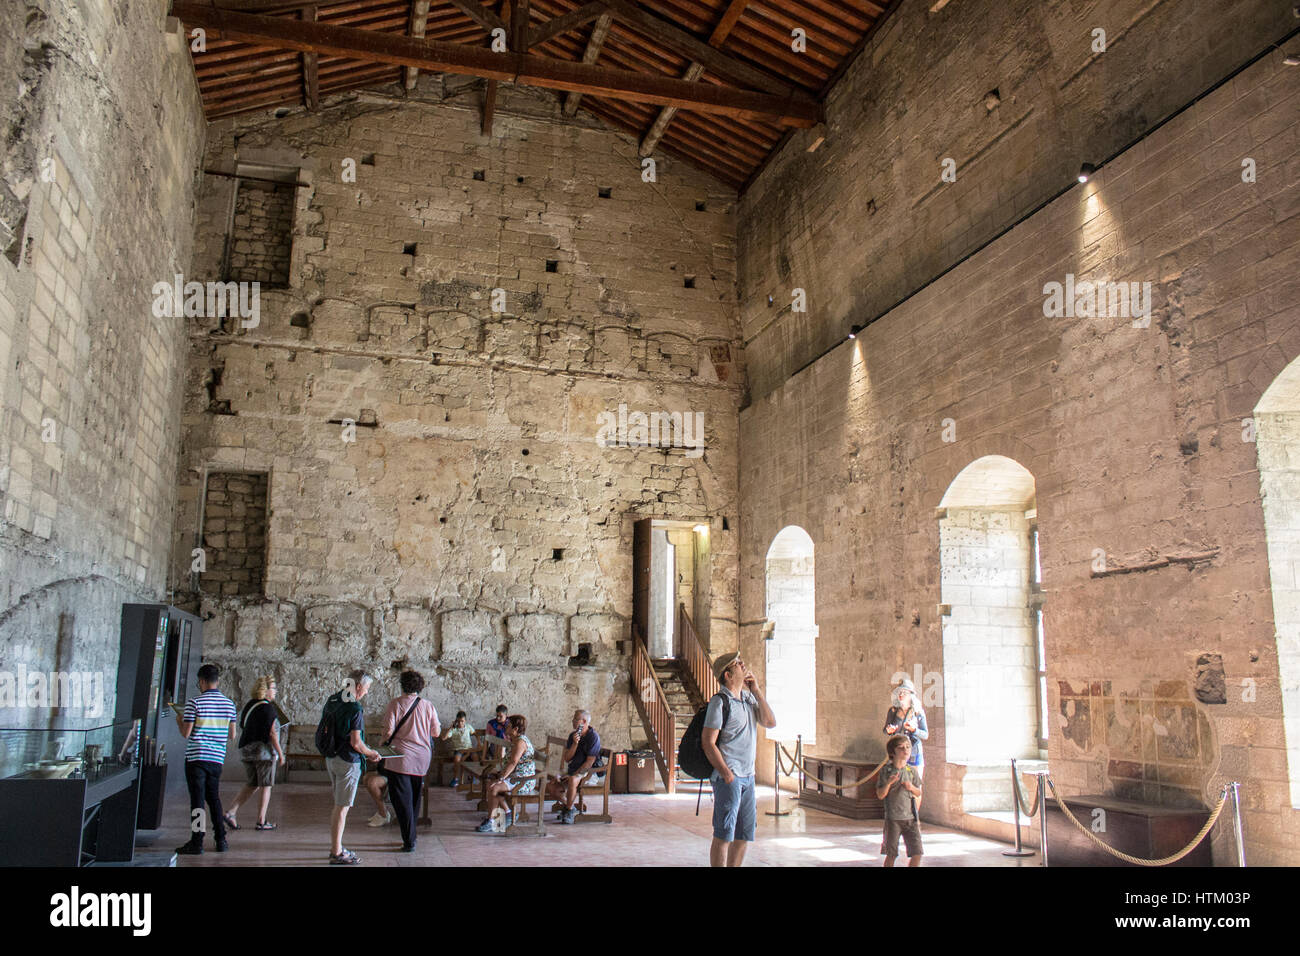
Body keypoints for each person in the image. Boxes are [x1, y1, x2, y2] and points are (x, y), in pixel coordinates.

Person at [701, 652, 776, 867]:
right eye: (737, 663)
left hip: (748, 777)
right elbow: (708, 741)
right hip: (730, 777)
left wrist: (757, 691)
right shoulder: (720, 702)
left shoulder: (748, 699)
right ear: (728, 675)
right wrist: (726, 773)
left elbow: (770, 722)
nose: (743, 665)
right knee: (724, 834)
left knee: (744, 834)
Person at [321, 670, 385, 865]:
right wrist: (371, 753)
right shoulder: (355, 708)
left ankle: (337, 847)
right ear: (358, 687)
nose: (366, 693)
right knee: (342, 807)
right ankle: (336, 852)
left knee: (339, 805)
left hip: (331, 758)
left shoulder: (333, 699)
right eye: (366, 689)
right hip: (348, 761)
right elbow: (356, 742)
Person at [173, 663, 238, 855]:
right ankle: (221, 839)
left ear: (201, 681)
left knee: (198, 801)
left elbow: (186, 733)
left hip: (196, 758)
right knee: (214, 799)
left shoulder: (195, 703)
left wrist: (179, 720)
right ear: (217, 681)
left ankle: (197, 841)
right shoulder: (229, 704)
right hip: (216, 759)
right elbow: (232, 735)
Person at [378, 670, 440, 852]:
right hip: (422, 758)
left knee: (400, 799)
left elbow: (388, 732)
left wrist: (382, 744)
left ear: (402, 685)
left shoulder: (395, 704)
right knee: (414, 797)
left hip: (400, 757)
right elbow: (435, 732)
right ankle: (411, 836)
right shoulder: (428, 705)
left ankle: (409, 840)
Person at [224, 675, 285, 831]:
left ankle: (231, 812)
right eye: (274, 688)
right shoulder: (269, 708)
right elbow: (272, 734)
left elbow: (243, 724)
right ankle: (261, 820)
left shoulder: (251, 704)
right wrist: (280, 753)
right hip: (262, 752)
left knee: (252, 783)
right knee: (266, 785)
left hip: (246, 750)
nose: (276, 691)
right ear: (266, 690)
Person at [475, 714, 535, 833]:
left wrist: (501, 778)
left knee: (494, 788)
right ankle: (508, 813)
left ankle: (491, 821)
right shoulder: (515, 740)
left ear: (515, 729)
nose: (505, 727)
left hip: (523, 781)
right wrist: (500, 775)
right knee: (490, 784)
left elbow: (513, 762)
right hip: (515, 777)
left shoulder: (520, 742)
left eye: (508, 726)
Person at [876, 735, 923, 867]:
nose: (905, 750)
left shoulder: (911, 771)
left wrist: (911, 787)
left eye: (907, 747)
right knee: (891, 854)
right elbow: (880, 794)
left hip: (910, 818)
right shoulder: (886, 771)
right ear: (893, 752)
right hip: (893, 819)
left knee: (917, 852)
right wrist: (889, 783)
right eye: (901, 747)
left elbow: (918, 792)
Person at [552, 709, 604, 824]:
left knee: (572, 779)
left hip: (589, 771)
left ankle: (569, 810)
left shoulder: (593, 737)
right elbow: (567, 758)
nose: (573, 721)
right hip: (574, 768)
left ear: (584, 721)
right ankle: (569, 806)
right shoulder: (573, 736)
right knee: (551, 786)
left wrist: (575, 775)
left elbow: (589, 762)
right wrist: (575, 744)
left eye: (576, 719)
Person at [882, 676, 928, 780]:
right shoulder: (893, 711)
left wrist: (914, 730)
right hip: (897, 751)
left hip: (914, 751)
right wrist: (889, 731)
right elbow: (885, 730)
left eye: (904, 692)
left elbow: (925, 734)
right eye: (899, 692)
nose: (901, 695)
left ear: (911, 695)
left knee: (915, 782)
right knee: (898, 782)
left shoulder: (918, 712)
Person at [441, 710, 475, 787]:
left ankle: (473, 777)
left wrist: (479, 743)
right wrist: (451, 727)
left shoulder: (468, 727)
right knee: (457, 759)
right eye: (458, 721)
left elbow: (475, 733)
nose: (460, 723)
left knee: (475, 757)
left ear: (465, 721)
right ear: (456, 721)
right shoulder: (454, 729)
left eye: (462, 721)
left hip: (469, 749)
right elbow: (443, 738)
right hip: (459, 750)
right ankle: (455, 778)